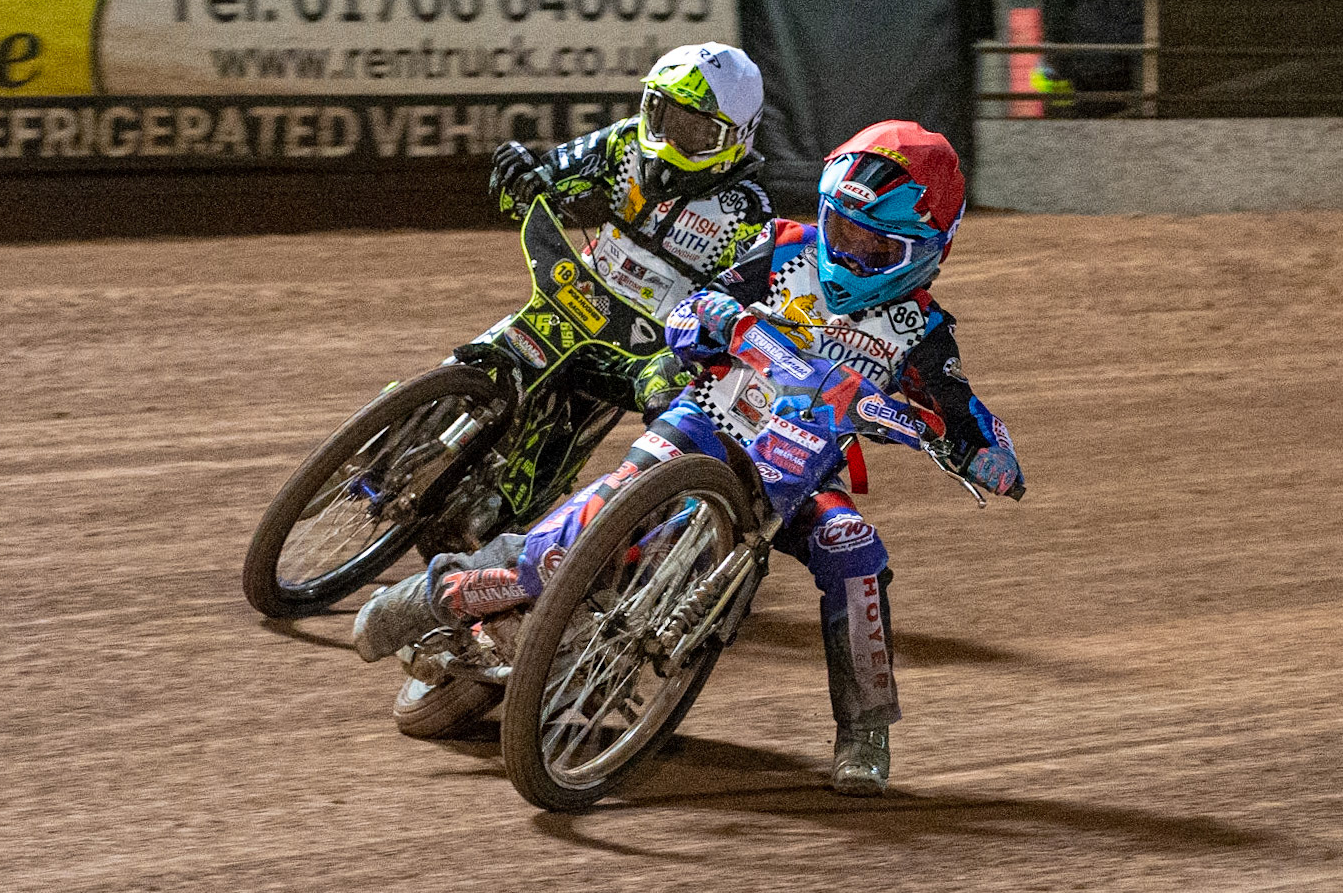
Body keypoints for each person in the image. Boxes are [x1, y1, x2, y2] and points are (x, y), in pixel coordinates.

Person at [356, 121, 1023, 796]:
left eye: (876, 243)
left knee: (854, 547)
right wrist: (715, 321)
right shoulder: (783, 247)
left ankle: (865, 726)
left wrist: (987, 456)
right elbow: (696, 304)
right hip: (701, 423)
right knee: (582, 525)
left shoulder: (924, 335)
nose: (851, 250)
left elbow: (966, 413)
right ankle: (439, 588)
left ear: (927, 250)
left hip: (797, 481)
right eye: (843, 227)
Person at [488, 40, 774, 420]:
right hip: (573, 302)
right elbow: (541, 184)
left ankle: (654, 479)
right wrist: (522, 173)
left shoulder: (750, 213)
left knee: (675, 414)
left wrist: (697, 350)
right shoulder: (625, 141)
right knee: (487, 357)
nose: (670, 140)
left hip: (649, 349)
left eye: (692, 131)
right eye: (663, 116)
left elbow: (749, 310)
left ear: (736, 136)